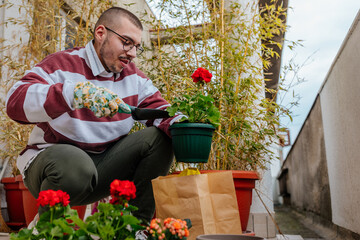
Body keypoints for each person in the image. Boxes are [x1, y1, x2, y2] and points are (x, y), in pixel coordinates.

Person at [6, 6, 182, 224]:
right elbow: (14, 101)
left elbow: (162, 112)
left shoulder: (134, 78)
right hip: (53, 166)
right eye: (126, 42)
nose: (133, 53)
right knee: (76, 164)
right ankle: (48, 228)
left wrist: (188, 124)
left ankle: (134, 228)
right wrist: (72, 93)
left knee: (158, 139)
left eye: (137, 47)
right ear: (101, 33)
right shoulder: (61, 64)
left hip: (102, 167)